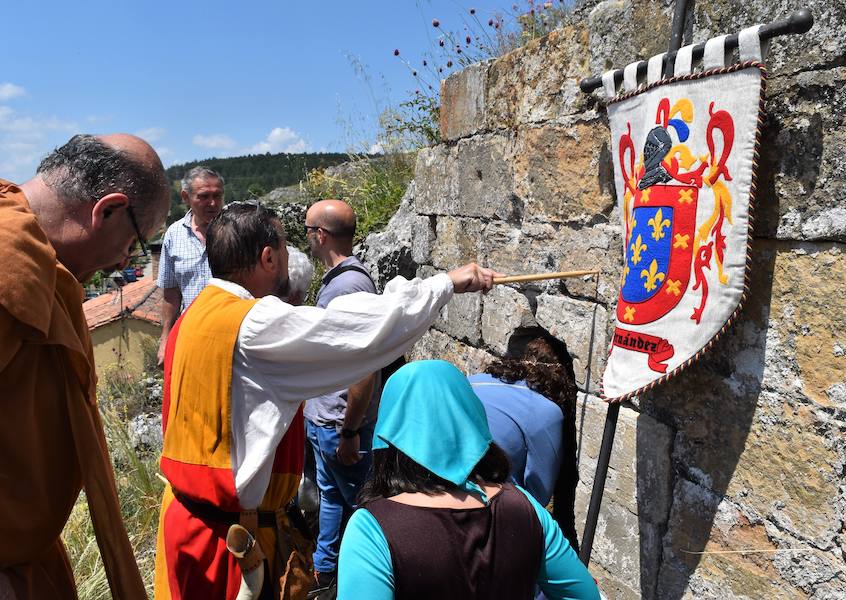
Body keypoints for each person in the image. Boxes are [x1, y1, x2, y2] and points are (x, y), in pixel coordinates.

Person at [154, 202, 497, 600]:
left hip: (185, 523)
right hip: (231, 543)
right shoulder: (252, 325)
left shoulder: (194, 316)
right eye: (284, 247)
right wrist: (446, 283)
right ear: (268, 257)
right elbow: (360, 333)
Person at [0, 134, 169, 600]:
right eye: (135, 244)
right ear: (108, 210)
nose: (123, 261)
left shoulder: (36, 261)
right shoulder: (7, 261)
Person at [337, 360, 602, 600]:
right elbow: (585, 594)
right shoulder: (525, 507)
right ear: (473, 419)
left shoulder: (372, 529)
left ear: (389, 434)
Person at [301, 200, 382, 594]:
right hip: (326, 421)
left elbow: (364, 368)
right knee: (332, 497)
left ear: (321, 235)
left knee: (367, 511)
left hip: (339, 425)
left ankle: (362, 584)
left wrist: (350, 432)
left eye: (307, 232)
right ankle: (326, 574)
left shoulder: (350, 286)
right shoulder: (339, 281)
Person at [468, 334, 580, 549]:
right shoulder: (546, 411)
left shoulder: (473, 381)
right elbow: (538, 490)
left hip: (438, 483)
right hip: (490, 508)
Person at [156, 166, 225, 365]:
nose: (212, 203)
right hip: (192, 335)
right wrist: (166, 338)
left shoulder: (236, 230)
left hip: (233, 333)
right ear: (186, 197)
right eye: (204, 196)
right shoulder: (173, 235)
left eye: (217, 196)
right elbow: (171, 293)